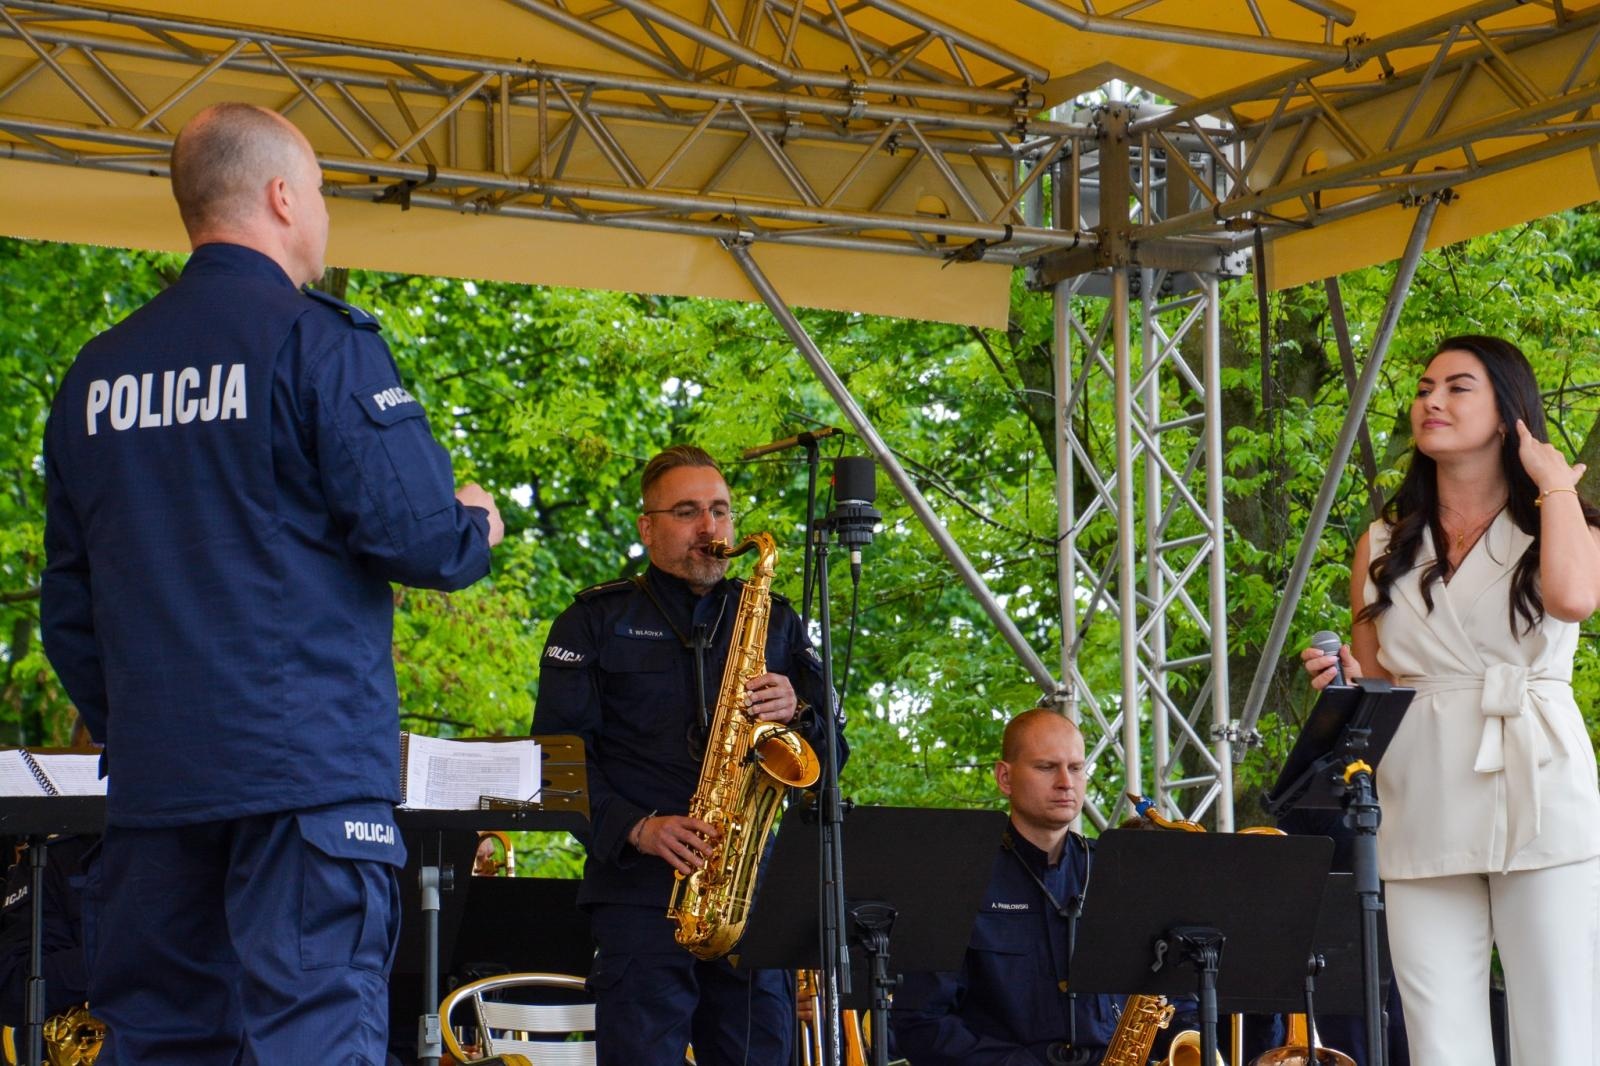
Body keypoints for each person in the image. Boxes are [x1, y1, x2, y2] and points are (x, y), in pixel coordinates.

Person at [40, 101, 503, 1064]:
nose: (326, 216)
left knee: (161, 1045)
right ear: (283, 196)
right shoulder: (318, 341)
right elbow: (423, 544)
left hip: (158, 795)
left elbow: (71, 613)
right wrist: (476, 518)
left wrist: (145, 729)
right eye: (325, 193)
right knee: (312, 1040)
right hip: (307, 791)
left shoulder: (96, 377)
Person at [1301, 334, 1600, 1065]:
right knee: (1439, 1039)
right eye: (1424, 386)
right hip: (1424, 788)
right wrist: (1341, 678)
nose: (1431, 400)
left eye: (1457, 387)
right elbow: (1380, 681)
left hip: (1537, 780)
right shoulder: (1382, 540)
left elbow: (1574, 599)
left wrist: (1556, 484)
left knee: (1559, 1032)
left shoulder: (1562, 517)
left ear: (1506, 411)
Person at [531, 444, 841, 1066]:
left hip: (748, 897)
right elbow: (553, 763)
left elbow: (830, 760)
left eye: (721, 511)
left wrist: (800, 713)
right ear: (648, 526)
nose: (712, 529)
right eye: (688, 512)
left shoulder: (776, 621)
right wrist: (639, 829)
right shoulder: (592, 619)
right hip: (640, 898)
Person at [892, 709, 1190, 1066]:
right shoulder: (957, 881)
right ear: (1005, 777)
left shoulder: (1123, 873)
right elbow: (921, 1025)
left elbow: (1173, 1000)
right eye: (1047, 767)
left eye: (1077, 768)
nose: (1066, 782)